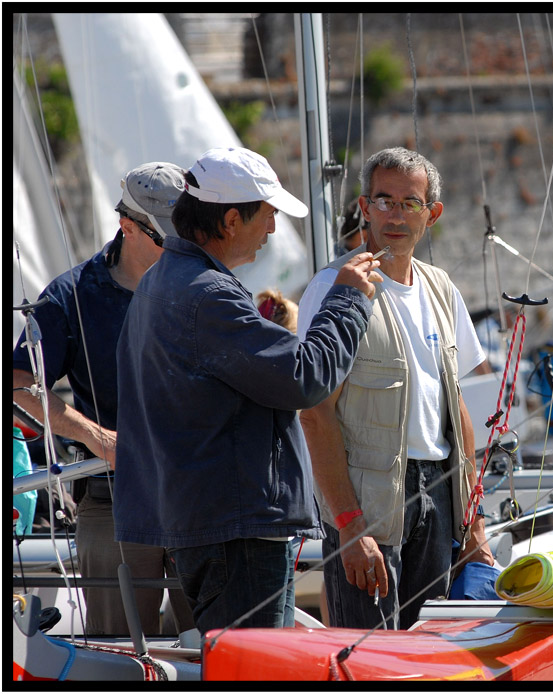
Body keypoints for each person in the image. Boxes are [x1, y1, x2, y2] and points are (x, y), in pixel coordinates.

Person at [114, 147, 381, 633]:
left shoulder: (161, 282)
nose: (274, 230)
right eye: (269, 215)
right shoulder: (207, 294)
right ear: (232, 219)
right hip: (236, 532)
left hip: (207, 523)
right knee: (255, 670)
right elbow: (305, 377)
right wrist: (347, 300)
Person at [297, 146, 494, 630]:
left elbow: (458, 411)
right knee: (367, 651)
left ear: (433, 214)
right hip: (370, 501)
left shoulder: (442, 289)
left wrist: (474, 522)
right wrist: (348, 526)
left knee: (428, 651)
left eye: (410, 203)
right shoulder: (334, 288)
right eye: (383, 201)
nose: (395, 215)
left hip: (439, 495)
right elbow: (315, 414)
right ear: (364, 208)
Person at [12, 162, 194, 636]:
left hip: (199, 498)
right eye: (168, 236)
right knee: (117, 651)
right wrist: (95, 436)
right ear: (127, 227)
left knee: (212, 648)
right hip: (113, 498)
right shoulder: (72, 294)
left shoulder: (203, 285)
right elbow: (19, 383)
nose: (182, 247)